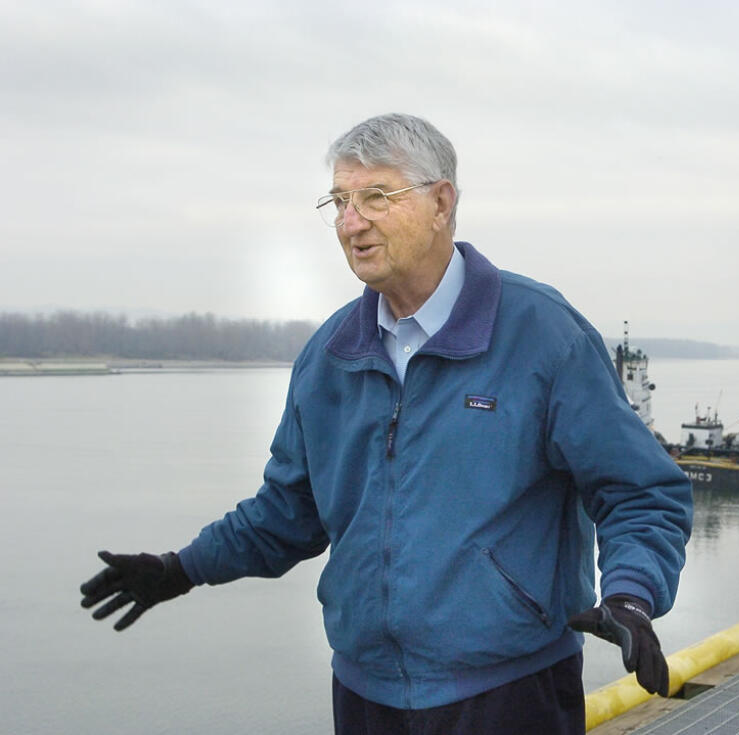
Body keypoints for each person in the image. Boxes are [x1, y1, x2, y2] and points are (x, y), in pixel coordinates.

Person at [79, 113, 693, 734]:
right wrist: (181, 569)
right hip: (365, 695)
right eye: (340, 201)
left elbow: (639, 490)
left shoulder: (542, 335)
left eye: (377, 197)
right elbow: (287, 513)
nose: (351, 222)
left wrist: (630, 596)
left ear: (441, 203)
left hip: (510, 693)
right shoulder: (330, 356)